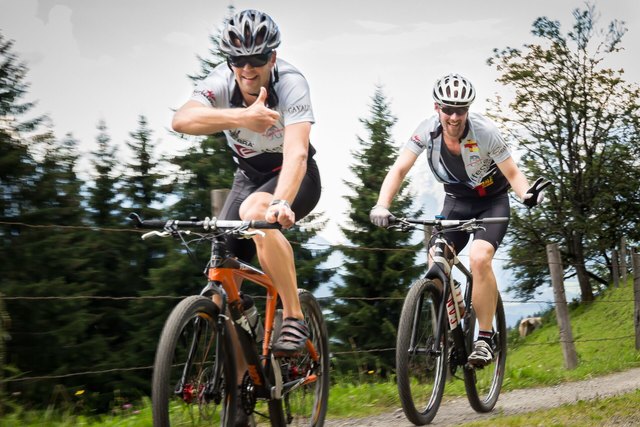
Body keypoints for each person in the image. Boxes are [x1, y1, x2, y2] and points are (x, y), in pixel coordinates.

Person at [370, 73, 549, 367]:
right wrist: (382, 205)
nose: (454, 117)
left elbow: (513, 174)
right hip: (457, 202)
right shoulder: (426, 132)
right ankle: (454, 316)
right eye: (448, 109)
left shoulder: (485, 132)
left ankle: (485, 338)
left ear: (468, 110)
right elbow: (399, 169)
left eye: (461, 110)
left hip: (492, 202)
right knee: (436, 262)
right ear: (436, 107)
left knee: (480, 258)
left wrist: (527, 195)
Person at [172, 9, 320, 358]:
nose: (247, 68)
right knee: (220, 287)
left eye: (256, 58)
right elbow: (181, 120)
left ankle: (294, 316)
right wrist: (242, 117)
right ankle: (240, 397)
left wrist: (281, 201)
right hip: (248, 176)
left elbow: (297, 153)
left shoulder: (291, 83)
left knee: (256, 211)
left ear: (272, 57)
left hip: (294, 176)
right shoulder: (220, 81)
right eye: (238, 60)